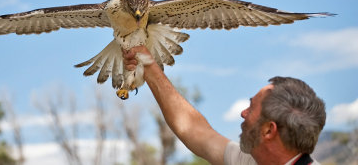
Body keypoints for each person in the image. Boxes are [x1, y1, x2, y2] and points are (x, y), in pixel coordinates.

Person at [122, 46, 326, 165]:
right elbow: (194, 130)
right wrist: (149, 67)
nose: (243, 113)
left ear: (268, 130)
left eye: (252, 108)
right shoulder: (252, 160)